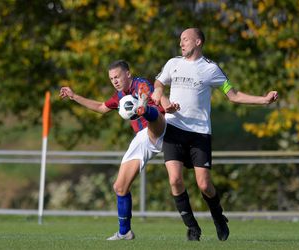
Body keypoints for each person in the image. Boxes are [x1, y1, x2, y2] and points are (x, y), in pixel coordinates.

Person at [151, 28, 278, 241]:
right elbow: (158, 83)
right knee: (175, 180)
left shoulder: (211, 69)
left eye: (185, 39)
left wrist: (263, 100)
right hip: (174, 129)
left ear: (198, 42)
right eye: (180, 39)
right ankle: (192, 227)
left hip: (199, 134)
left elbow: (234, 95)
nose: (181, 43)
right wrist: (161, 97)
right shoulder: (173, 63)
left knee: (204, 185)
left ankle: (218, 216)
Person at [59, 60, 179, 240]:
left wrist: (150, 102)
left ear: (128, 74)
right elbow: (101, 108)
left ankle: (144, 110)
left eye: (117, 76)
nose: (114, 81)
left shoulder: (141, 84)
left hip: (161, 127)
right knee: (120, 187)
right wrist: (74, 96)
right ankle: (125, 232)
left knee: (148, 113)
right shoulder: (120, 95)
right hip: (144, 139)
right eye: (111, 78)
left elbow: (150, 92)